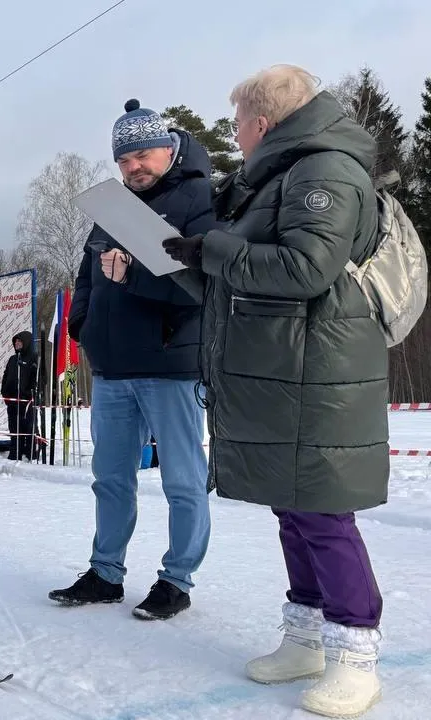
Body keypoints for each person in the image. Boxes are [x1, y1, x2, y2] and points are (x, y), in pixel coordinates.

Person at [162, 65, 389, 718]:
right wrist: (186, 262)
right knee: (292, 507)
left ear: (263, 123)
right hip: (284, 371)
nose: (234, 136)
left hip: (317, 375)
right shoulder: (276, 179)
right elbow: (241, 278)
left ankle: (356, 655)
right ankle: (306, 636)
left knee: (321, 513)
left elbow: (304, 268)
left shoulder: (324, 171)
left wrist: (213, 248)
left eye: (237, 124)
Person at [50, 97, 215, 621]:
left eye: (143, 154)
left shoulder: (199, 200)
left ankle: (177, 580)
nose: (133, 167)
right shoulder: (112, 207)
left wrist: (134, 277)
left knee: (183, 481)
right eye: (123, 160)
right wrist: (84, 327)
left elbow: (202, 286)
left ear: (168, 148)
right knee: (111, 478)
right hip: (114, 367)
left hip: (171, 365)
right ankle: (105, 573)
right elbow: (86, 276)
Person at [0, 330, 39, 461]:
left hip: (27, 400)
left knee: (29, 426)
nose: (17, 343)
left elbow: (38, 378)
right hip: (12, 400)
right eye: (15, 341)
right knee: (14, 427)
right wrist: (5, 393)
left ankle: (31, 451)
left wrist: (30, 392)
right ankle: (15, 451)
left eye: (19, 341)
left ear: (26, 342)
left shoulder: (34, 358)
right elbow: (5, 377)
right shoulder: (13, 359)